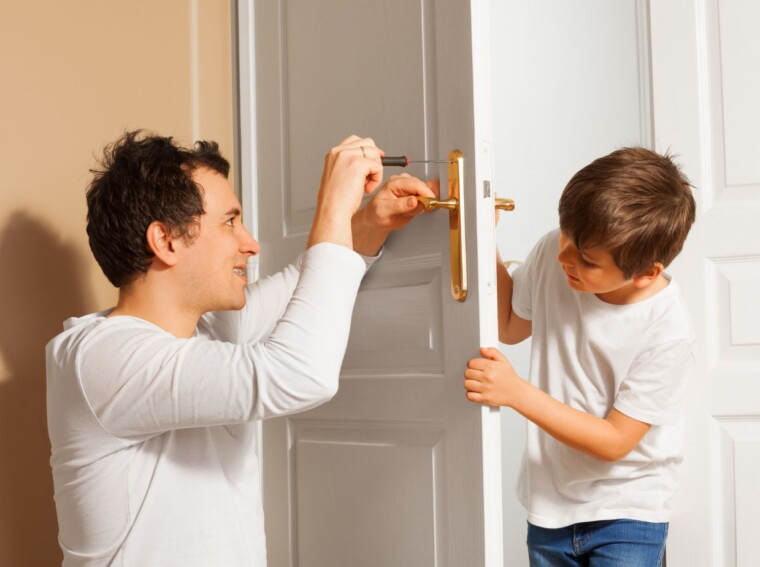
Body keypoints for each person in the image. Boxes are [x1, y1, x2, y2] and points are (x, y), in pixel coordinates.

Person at [46, 131, 436, 566]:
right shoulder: (102, 359)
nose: (250, 243)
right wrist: (332, 208)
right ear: (166, 241)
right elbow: (300, 375)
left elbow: (304, 291)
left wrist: (364, 222)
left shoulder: (206, 331)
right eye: (230, 222)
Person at [464, 147, 696, 566]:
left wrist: (516, 393)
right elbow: (510, 325)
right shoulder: (557, 252)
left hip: (629, 511)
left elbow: (614, 442)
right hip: (550, 505)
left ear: (646, 273)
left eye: (586, 261)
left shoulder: (667, 330)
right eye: (566, 236)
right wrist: (484, 239)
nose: (564, 258)